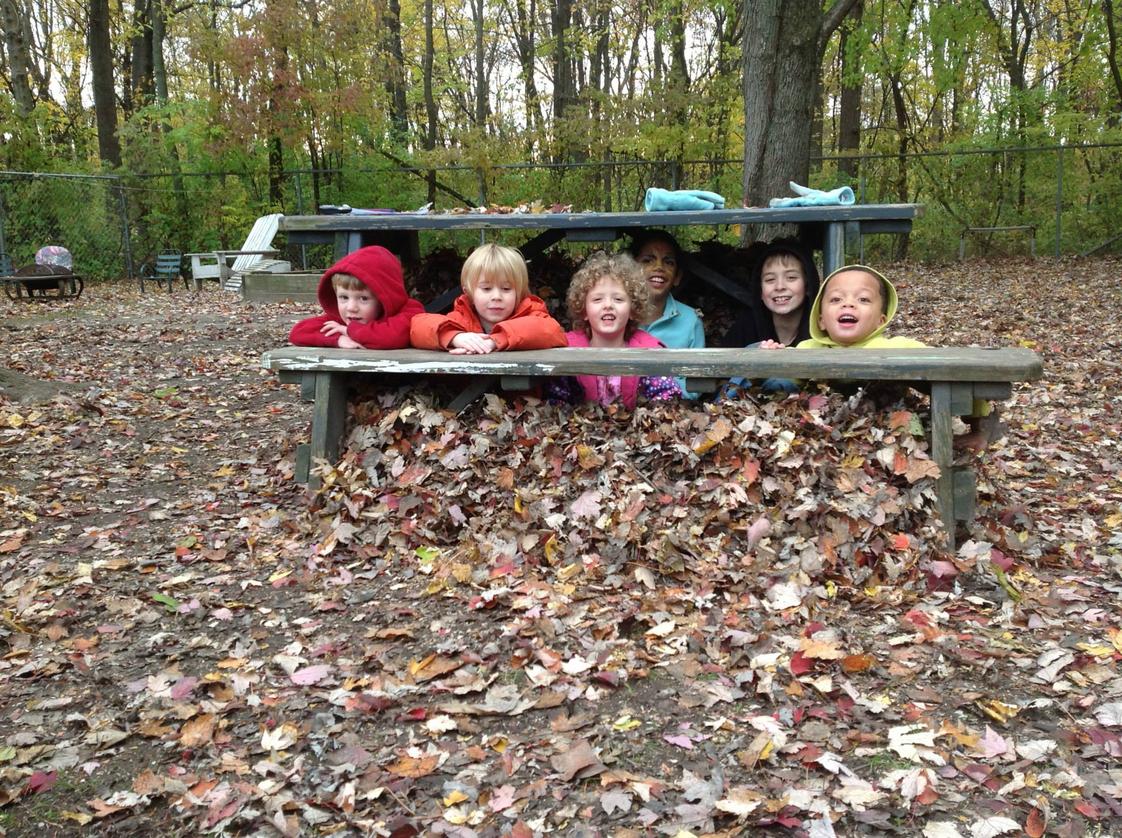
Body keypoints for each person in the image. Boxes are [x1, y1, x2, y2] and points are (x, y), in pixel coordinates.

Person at [546, 252, 680, 408]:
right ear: (583, 310)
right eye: (597, 299)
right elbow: (556, 400)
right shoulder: (568, 350)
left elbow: (667, 398)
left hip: (635, 428)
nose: (608, 305)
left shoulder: (648, 351)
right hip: (581, 428)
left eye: (618, 299)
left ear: (633, 309)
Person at [409, 243, 565, 353]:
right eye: (486, 289)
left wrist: (496, 340)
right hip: (468, 395)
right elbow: (418, 327)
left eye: (506, 289)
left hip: (520, 395)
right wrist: (454, 337)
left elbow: (552, 330)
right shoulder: (462, 319)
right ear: (469, 293)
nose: (496, 296)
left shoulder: (530, 313)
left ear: (519, 292)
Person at [719, 239, 821, 397]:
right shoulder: (747, 325)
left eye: (791, 278)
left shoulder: (822, 327)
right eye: (770, 280)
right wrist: (753, 358)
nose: (779, 287)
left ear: (808, 286)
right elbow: (721, 375)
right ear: (760, 290)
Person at [289, 245, 423, 349]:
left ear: (383, 299)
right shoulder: (345, 319)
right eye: (344, 297)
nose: (351, 308)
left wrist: (348, 331)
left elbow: (391, 337)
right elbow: (299, 332)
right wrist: (337, 339)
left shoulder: (410, 311)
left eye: (363, 299)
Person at [629, 230, 705, 349]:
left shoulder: (691, 321)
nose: (659, 267)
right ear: (630, 270)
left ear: (677, 277)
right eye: (648, 260)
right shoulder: (615, 314)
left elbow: (698, 367)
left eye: (668, 262)